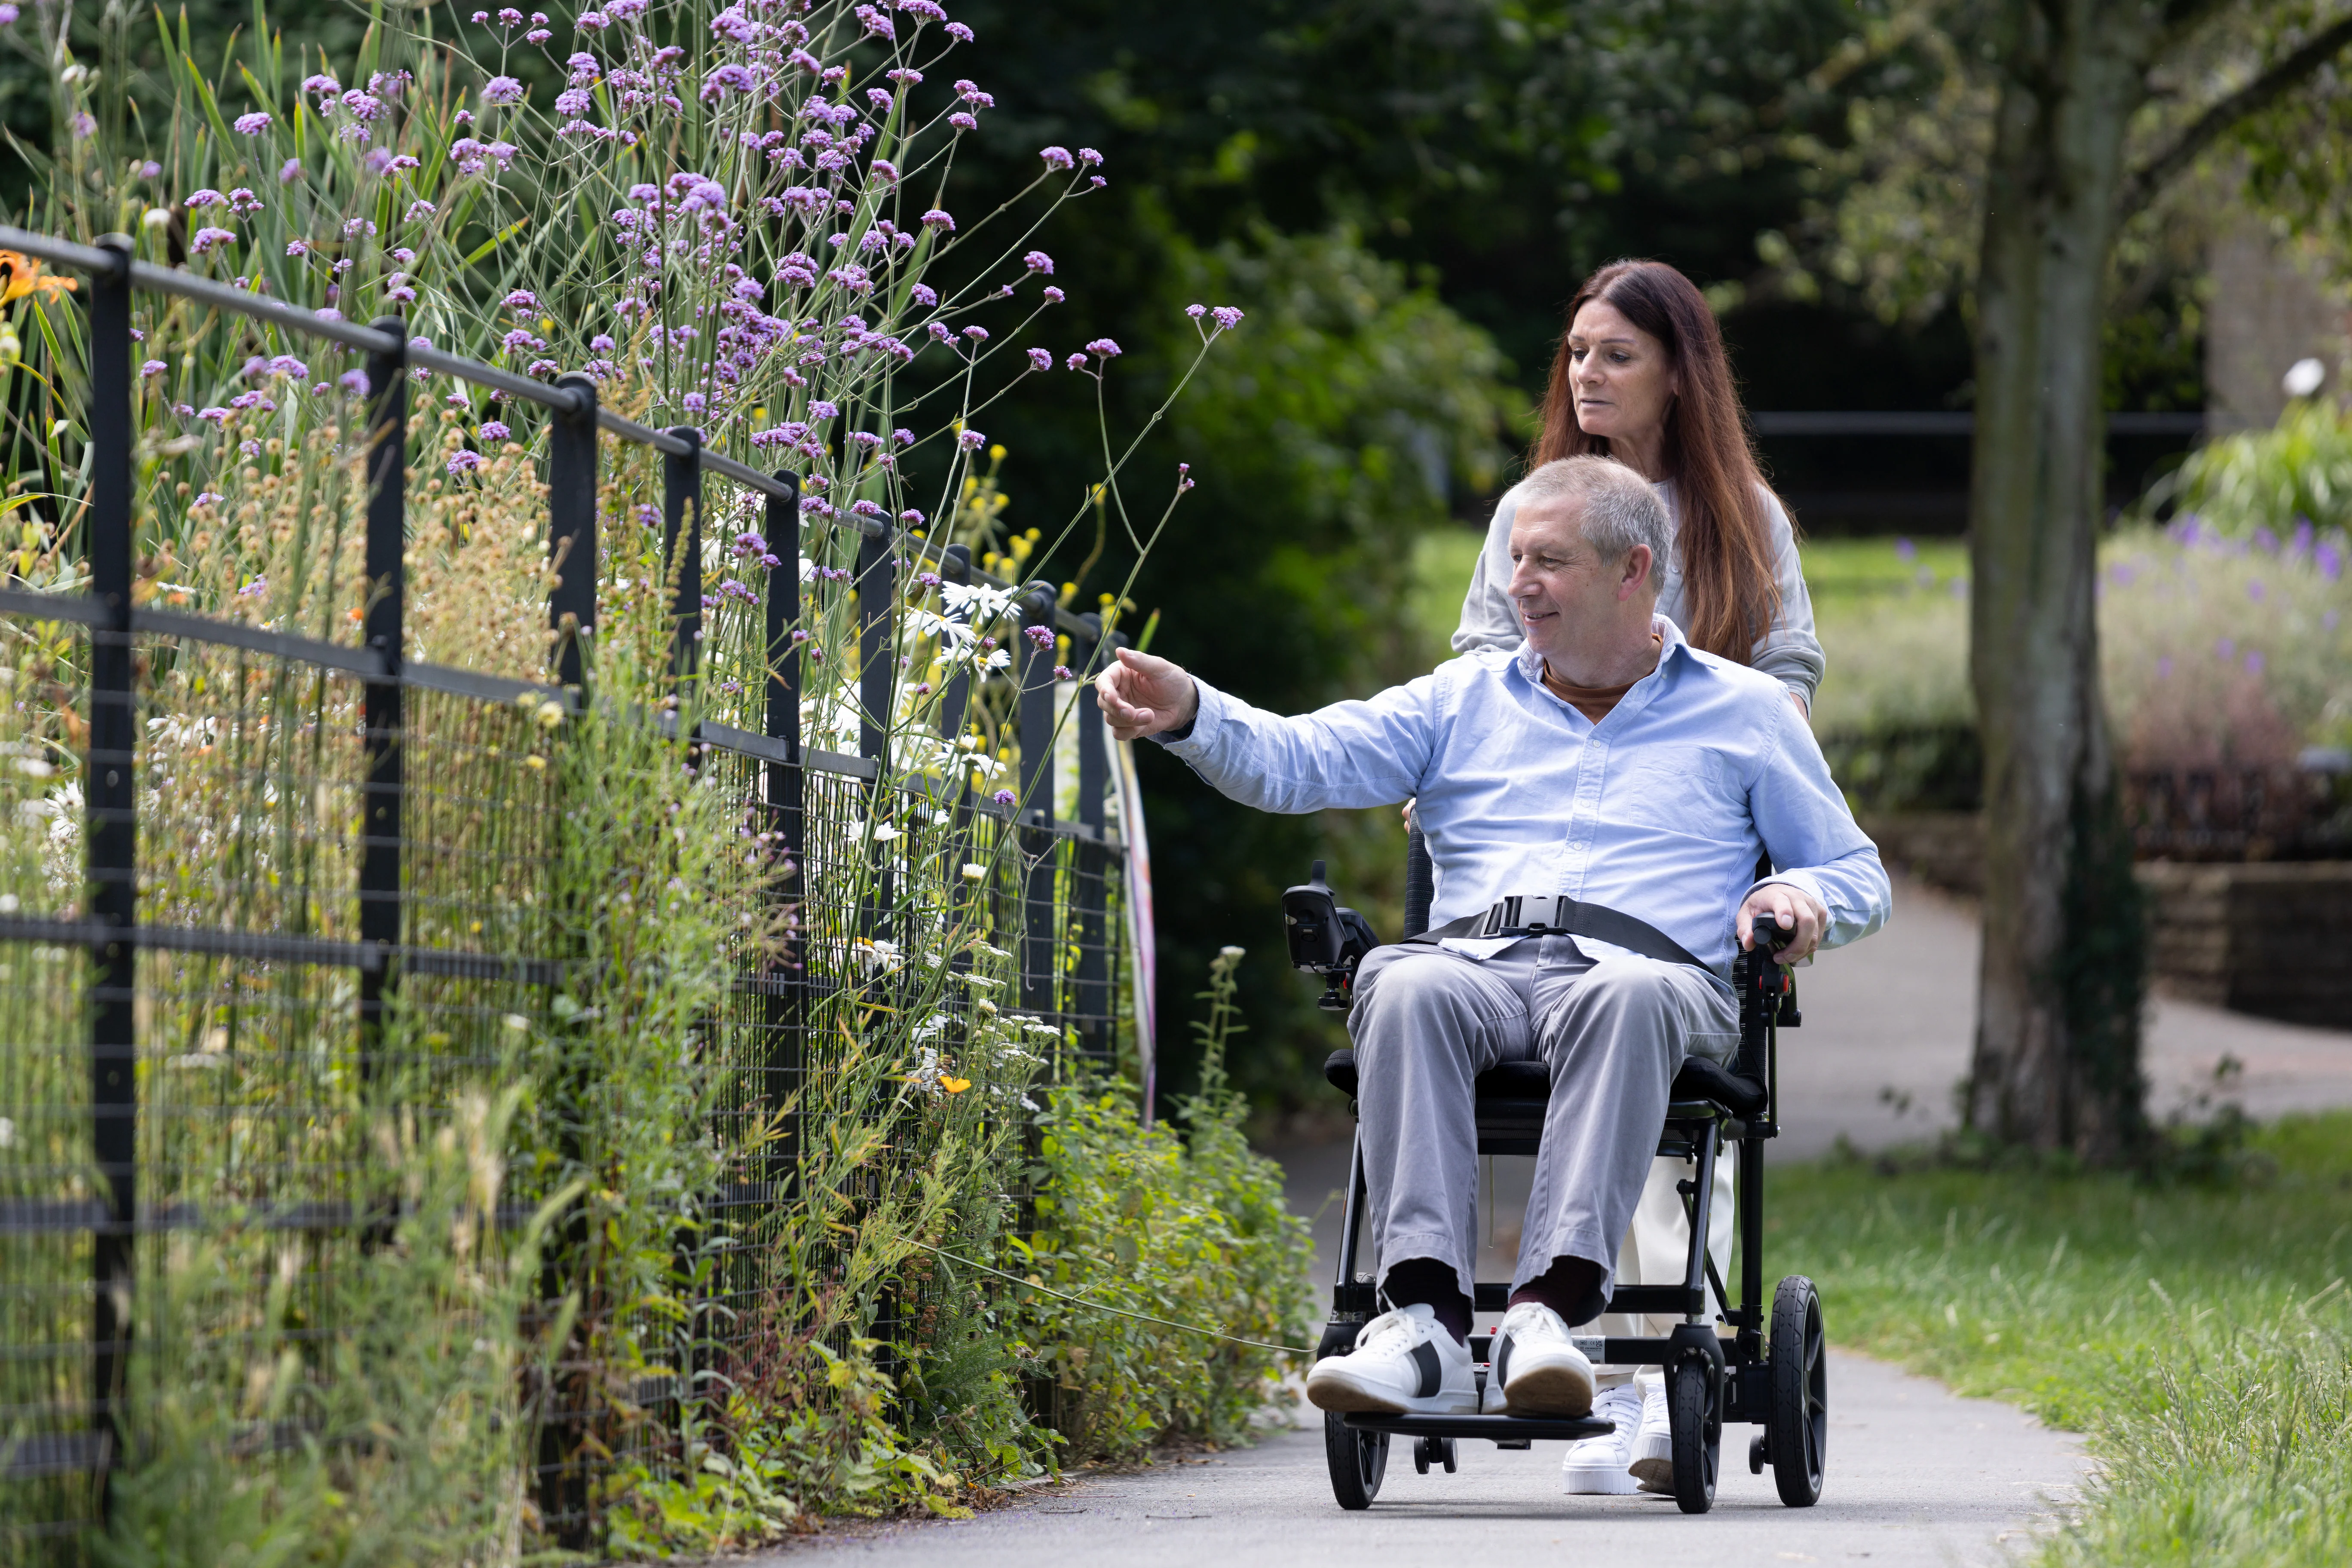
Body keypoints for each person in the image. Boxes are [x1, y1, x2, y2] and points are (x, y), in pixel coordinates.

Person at [1098, 456, 1889, 1451]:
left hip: (1650, 983)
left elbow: (1858, 871)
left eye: (1547, 561)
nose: (1516, 581)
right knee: (1399, 977)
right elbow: (1302, 757)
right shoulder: (1461, 699)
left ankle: (1546, 1315)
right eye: (1516, 556)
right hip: (1477, 969)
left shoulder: (1745, 712)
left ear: (1632, 570)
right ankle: (1425, 1327)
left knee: (1629, 992)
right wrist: (1191, 713)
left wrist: (1798, 891)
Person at [1445, 259, 1822, 1493]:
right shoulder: (1531, 510)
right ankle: (1576, 1366)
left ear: (1679, 371)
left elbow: (1791, 674)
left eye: (1616, 353)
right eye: (1577, 352)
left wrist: (1718, 764)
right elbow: (1478, 668)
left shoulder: (1743, 522)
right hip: (1546, 857)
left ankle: (1662, 1383)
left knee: (1672, 1117)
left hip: (1685, 865)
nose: (1588, 373)